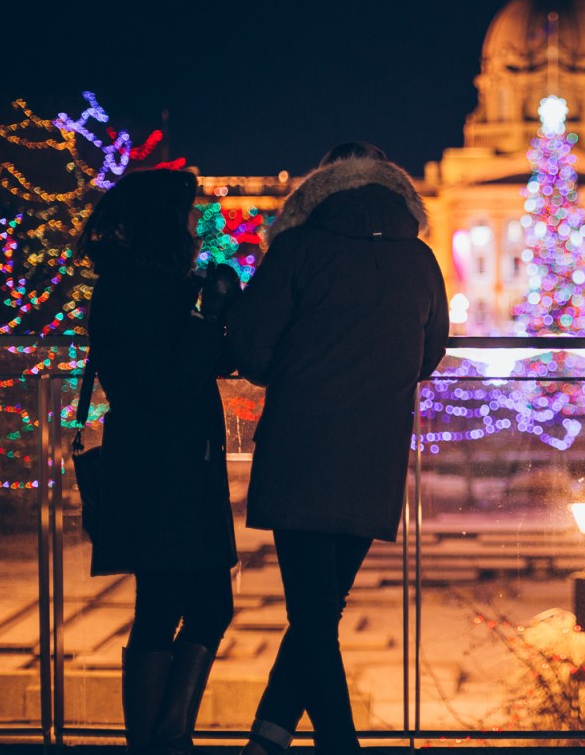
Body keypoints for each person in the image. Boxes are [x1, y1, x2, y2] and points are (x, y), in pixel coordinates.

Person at [228, 142, 449, 754]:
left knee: (312, 616)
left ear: (321, 190)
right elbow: (429, 353)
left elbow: (252, 349)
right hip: (376, 454)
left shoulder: (299, 249)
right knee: (321, 613)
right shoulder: (420, 258)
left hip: (301, 450)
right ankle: (269, 736)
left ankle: (337, 743)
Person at [78, 168, 242, 754]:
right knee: (171, 606)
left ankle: (165, 740)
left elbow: (206, 363)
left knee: (191, 606)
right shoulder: (131, 291)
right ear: (162, 224)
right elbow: (168, 384)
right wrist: (209, 317)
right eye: (187, 215)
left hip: (176, 469)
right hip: (161, 473)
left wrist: (211, 311)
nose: (196, 225)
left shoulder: (145, 284)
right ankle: (160, 743)